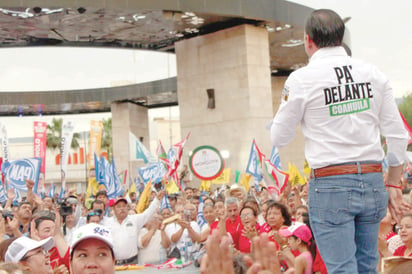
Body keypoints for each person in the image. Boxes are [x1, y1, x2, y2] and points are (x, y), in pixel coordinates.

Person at [270, 8, 410, 273]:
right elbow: (398, 135)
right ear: (341, 36)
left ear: (308, 40)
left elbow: (280, 136)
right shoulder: (373, 73)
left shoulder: (301, 80)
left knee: (342, 269)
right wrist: (393, 180)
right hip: (371, 180)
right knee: (367, 267)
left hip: (331, 183)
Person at [105, 191, 163, 265]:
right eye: (119, 206)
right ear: (113, 209)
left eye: (124, 206)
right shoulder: (107, 223)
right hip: (115, 264)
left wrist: (157, 199)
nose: (122, 208)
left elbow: (148, 214)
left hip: (132, 263)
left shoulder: (134, 220)